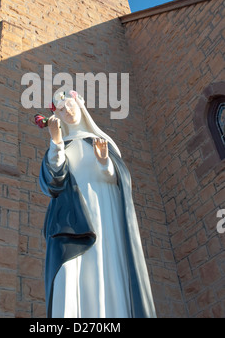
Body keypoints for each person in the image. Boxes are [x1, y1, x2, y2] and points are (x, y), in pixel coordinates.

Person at [39, 89, 156, 318]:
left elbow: (119, 179)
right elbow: (54, 179)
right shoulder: (60, 144)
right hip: (72, 220)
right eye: (60, 110)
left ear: (80, 104)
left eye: (69, 104)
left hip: (105, 211)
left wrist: (105, 163)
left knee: (108, 264)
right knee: (69, 274)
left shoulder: (102, 140)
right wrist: (56, 142)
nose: (67, 111)